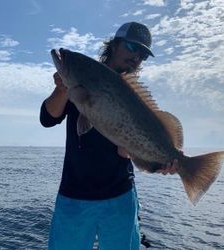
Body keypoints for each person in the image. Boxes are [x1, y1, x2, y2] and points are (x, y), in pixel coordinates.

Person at [40, 22, 178, 250]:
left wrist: (160, 163)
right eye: (133, 48)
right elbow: (48, 119)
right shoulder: (87, 77)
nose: (137, 58)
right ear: (113, 45)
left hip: (120, 196)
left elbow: (127, 153)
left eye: (143, 54)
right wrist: (62, 88)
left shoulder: (134, 95)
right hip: (74, 195)